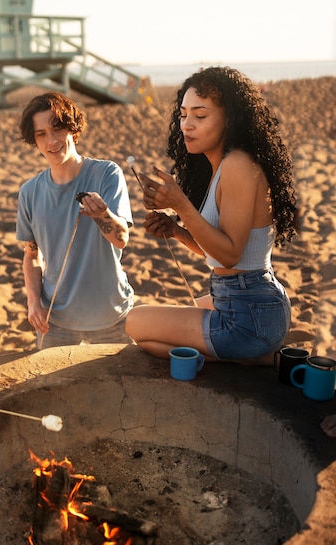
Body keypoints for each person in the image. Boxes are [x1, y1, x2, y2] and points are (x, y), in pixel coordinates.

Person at [126, 66, 298, 364]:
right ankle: (246, 355)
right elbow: (219, 253)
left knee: (135, 322)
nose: (186, 125)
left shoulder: (238, 165)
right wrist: (176, 230)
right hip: (250, 302)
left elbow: (230, 255)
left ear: (229, 119)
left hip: (249, 314)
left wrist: (181, 205)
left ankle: (252, 359)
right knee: (169, 323)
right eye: (183, 114)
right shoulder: (221, 165)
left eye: (200, 115)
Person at [16, 91, 134, 349]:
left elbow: (121, 239)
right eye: (41, 134)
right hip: (55, 322)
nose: (51, 141)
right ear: (34, 141)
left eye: (57, 129)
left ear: (73, 129)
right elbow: (32, 255)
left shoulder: (106, 173)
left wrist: (102, 214)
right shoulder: (29, 192)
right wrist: (33, 302)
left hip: (111, 317)